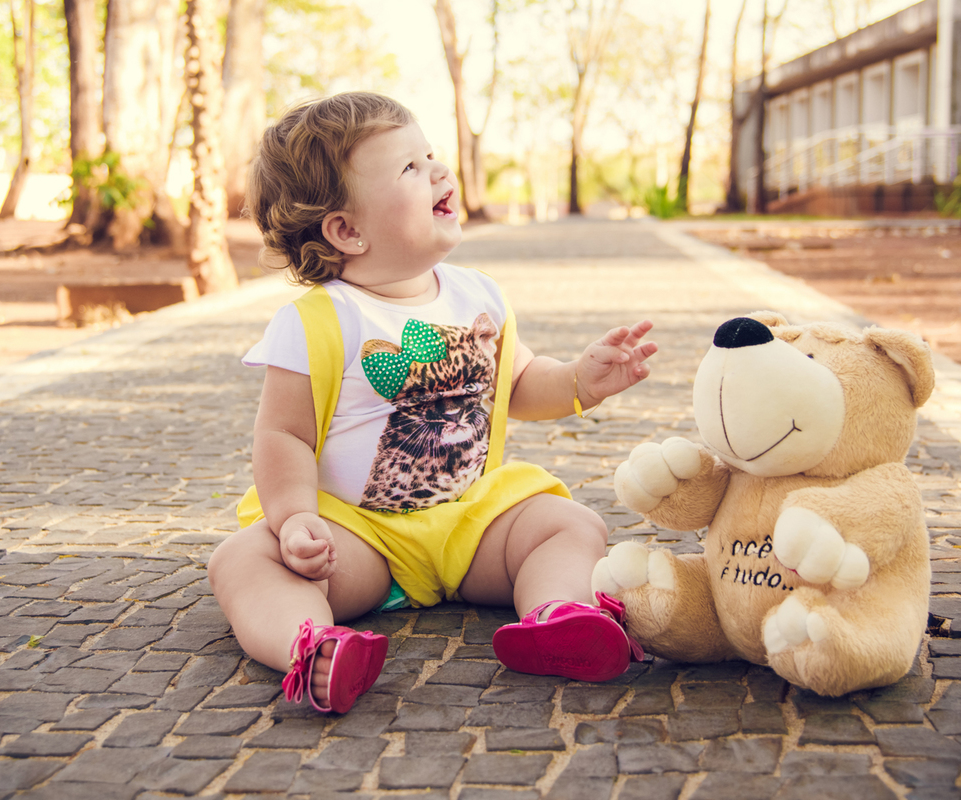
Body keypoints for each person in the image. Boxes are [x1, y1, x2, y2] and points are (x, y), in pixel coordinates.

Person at [207, 91, 656, 714]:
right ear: (347, 230)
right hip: (359, 540)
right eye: (409, 169)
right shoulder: (318, 321)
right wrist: (293, 520)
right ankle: (312, 647)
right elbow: (283, 434)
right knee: (243, 559)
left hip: (471, 525)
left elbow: (517, 384)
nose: (440, 173)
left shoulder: (478, 294)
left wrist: (581, 379)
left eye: (432, 156)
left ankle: (561, 617)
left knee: (569, 524)